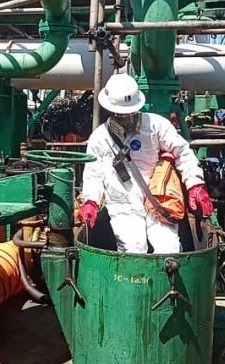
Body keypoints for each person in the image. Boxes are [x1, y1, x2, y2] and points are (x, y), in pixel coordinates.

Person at [79, 73, 213, 254]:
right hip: (122, 205)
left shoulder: (156, 126)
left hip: (158, 202)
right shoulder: (99, 138)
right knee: (132, 249)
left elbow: (183, 153)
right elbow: (93, 174)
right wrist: (91, 201)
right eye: (121, 115)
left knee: (169, 250)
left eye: (130, 113)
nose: (127, 119)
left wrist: (195, 184)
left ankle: (168, 283)